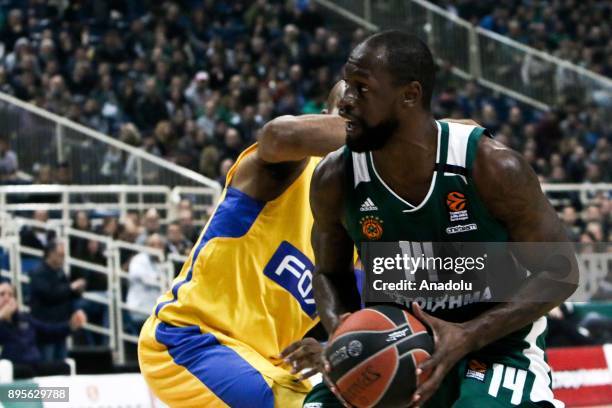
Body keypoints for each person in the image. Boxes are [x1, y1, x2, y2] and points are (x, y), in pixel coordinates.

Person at [308, 31, 578, 407]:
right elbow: (328, 273)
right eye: (346, 87)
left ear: (410, 95)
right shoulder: (334, 177)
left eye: (361, 88)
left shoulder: (492, 167)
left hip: (496, 344)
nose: (346, 102)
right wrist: (343, 334)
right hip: (394, 344)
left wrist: (468, 334)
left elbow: (561, 271)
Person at [138, 83, 348, 407]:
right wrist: (390, 135)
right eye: (348, 112)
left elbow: (366, 319)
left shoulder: (366, 223)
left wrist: (337, 348)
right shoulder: (292, 166)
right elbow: (278, 135)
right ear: (323, 119)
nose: (361, 124)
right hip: (193, 339)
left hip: (268, 367)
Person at [0, 282, 87, 379]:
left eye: (11, 295)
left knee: (64, 367)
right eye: (2, 294)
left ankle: (61, 393)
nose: (7, 298)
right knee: (24, 371)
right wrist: (1, 316)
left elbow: (48, 331)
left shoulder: (25, 318)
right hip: (9, 369)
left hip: (33, 366)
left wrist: (71, 325)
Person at [30, 240, 87, 362]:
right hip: (46, 329)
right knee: (48, 366)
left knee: (62, 366)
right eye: (60, 255)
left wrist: (76, 291)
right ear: (50, 254)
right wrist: (71, 287)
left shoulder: (60, 272)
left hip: (61, 327)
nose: (63, 258)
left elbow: (65, 295)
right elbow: (49, 295)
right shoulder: (38, 273)